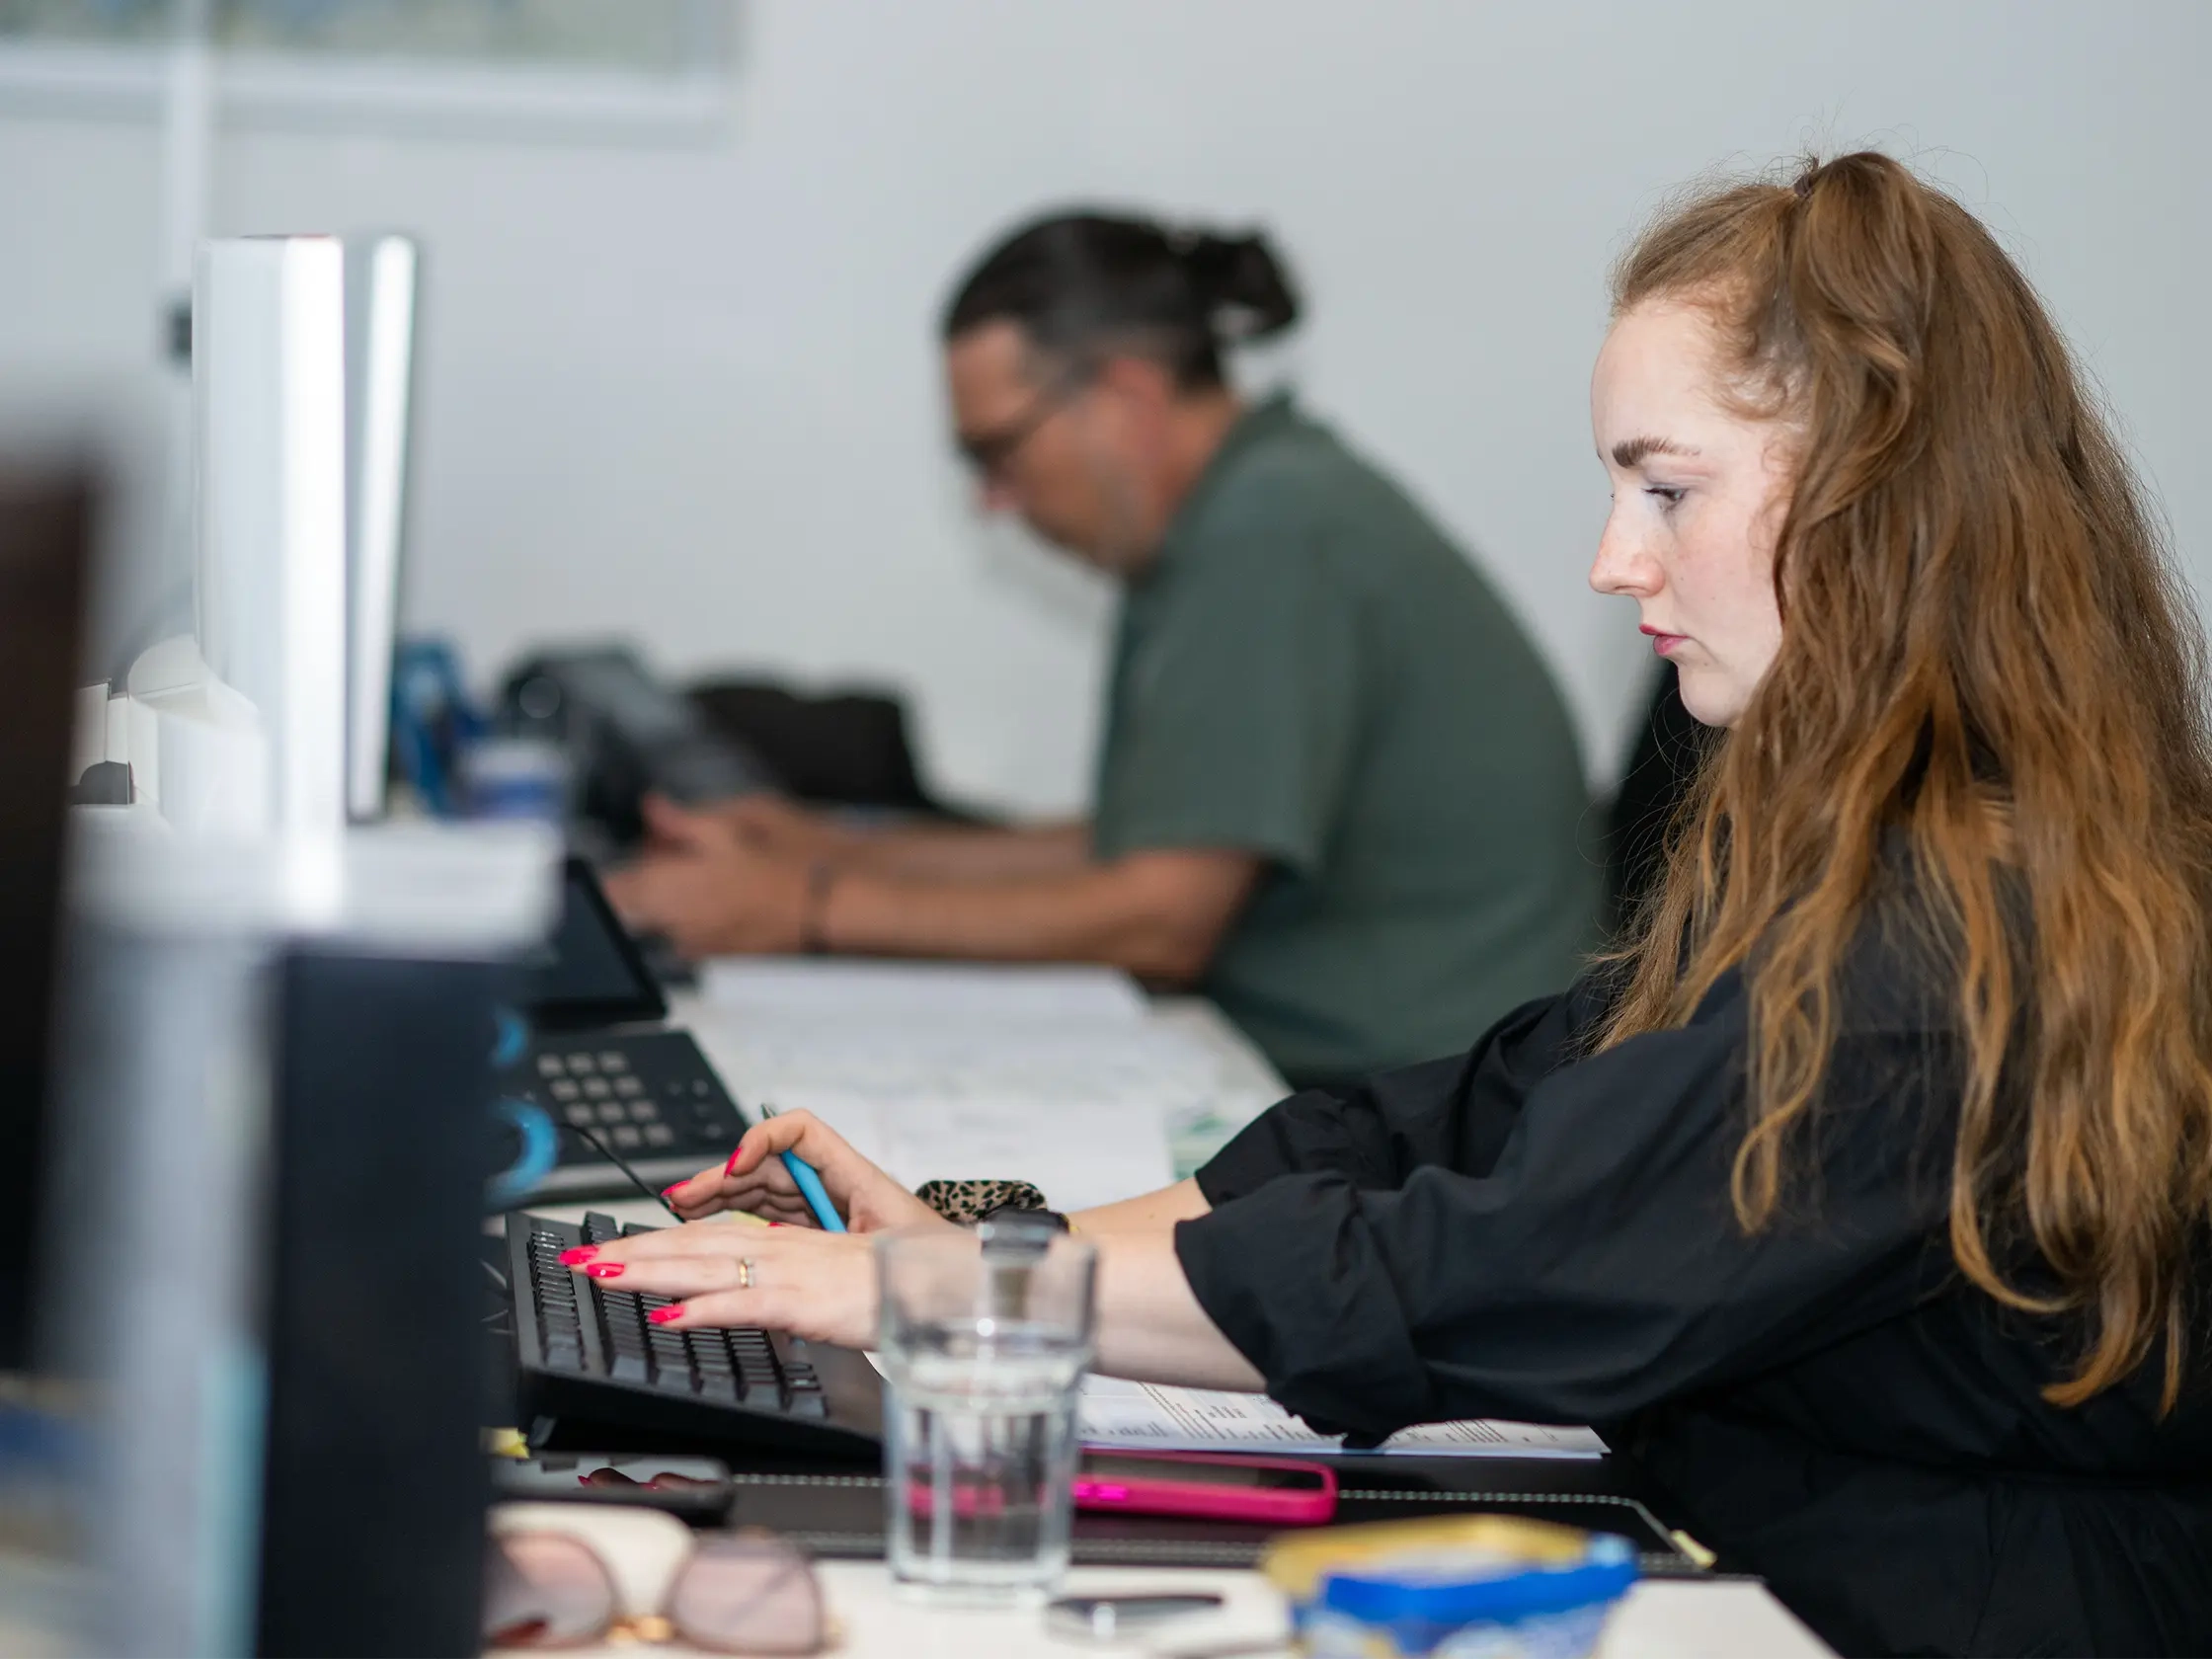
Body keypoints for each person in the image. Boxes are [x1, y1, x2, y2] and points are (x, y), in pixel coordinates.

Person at [560, 153, 2212, 1656]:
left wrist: (952, 1299)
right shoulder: (1856, 836)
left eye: (1667, 490)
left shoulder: (1947, 940)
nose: (1613, 562)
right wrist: (1001, 1253)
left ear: (1870, 490)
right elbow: (1470, 1120)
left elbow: (1499, 1263)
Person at [603, 210, 1598, 1086]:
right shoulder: (1233, 513)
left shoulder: (1269, 536)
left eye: (999, 451)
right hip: (1354, 1063)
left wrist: (805, 909)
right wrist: (823, 845)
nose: (993, 500)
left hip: (1410, 1104)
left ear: (1122, 398)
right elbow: (1138, 846)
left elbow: (1159, 919)